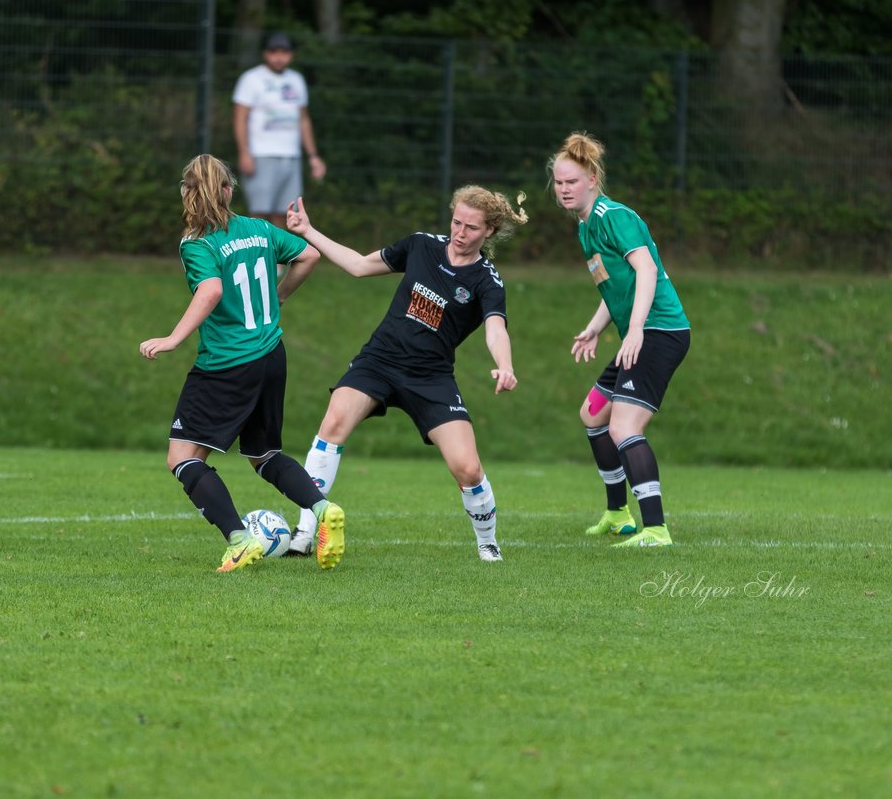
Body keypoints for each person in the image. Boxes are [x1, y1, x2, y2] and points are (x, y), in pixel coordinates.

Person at [284, 186, 527, 563]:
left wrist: (506, 365)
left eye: (471, 228)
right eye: (456, 222)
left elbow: (496, 328)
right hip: (379, 360)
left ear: (490, 232)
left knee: (467, 467)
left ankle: (488, 542)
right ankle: (304, 530)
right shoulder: (421, 246)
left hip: (430, 377)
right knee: (333, 420)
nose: (460, 232)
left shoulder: (487, 281)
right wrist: (308, 231)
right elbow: (360, 266)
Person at [138, 154, 345, 573]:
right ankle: (323, 511)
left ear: (186, 194)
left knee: (182, 457)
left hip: (228, 363)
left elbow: (211, 291)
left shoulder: (197, 242)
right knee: (264, 454)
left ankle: (238, 539)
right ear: (229, 190)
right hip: (271, 355)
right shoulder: (258, 229)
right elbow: (308, 256)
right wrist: (280, 296)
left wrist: (174, 338)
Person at [548, 132, 690, 548]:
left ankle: (656, 530)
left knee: (624, 426)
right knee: (594, 415)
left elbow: (645, 271)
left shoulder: (614, 216)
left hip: (660, 332)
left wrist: (635, 330)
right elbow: (615, 288)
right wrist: (596, 326)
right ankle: (618, 515)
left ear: (592, 178)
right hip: (641, 332)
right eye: (558, 183)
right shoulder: (586, 227)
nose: (563, 190)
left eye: (571, 182)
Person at [232, 31, 326, 229]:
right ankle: (257, 258)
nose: (279, 57)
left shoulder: (297, 80)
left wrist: (313, 156)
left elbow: (303, 119)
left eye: (284, 52)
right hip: (261, 154)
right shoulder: (251, 79)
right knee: (259, 212)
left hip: (290, 156)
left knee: (286, 213)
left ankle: (276, 260)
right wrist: (244, 153)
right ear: (265, 54)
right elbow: (240, 119)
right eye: (274, 52)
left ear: (291, 55)